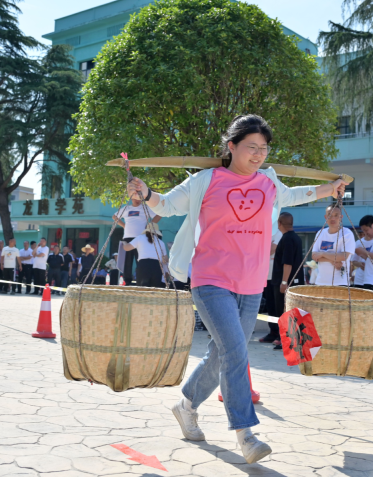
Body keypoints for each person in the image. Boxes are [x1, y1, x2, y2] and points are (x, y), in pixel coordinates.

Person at [129, 114, 346, 463]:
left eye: (263, 149)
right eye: (251, 148)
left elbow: (294, 195)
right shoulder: (206, 180)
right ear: (232, 146)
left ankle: (186, 405)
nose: (258, 155)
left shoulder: (268, 181)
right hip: (210, 279)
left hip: (251, 283)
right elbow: (167, 205)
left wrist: (329, 189)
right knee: (235, 353)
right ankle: (246, 433)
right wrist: (146, 193)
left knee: (222, 353)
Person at [270, 212, 305, 350]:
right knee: (291, 311)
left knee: (284, 311)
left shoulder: (287, 239)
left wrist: (284, 282)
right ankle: (291, 339)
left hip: (285, 282)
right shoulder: (296, 238)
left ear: (279, 223)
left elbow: (287, 262)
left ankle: (288, 340)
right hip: (295, 281)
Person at [114, 191, 162, 286]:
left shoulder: (145, 208)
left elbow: (159, 214)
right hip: (127, 237)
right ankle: (127, 281)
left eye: (139, 198)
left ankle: (140, 279)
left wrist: (149, 225)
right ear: (131, 198)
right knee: (127, 261)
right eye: (135, 198)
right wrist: (124, 226)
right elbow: (114, 216)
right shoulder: (126, 208)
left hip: (141, 238)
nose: (137, 200)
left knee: (140, 259)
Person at [310, 205, 355, 287]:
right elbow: (314, 256)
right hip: (321, 281)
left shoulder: (347, 233)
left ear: (341, 217)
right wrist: (333, 260)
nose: (333, 218)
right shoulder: (320, 233)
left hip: (340, 282)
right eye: (330, 215)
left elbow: (343, 256)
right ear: (325, 217)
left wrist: (322, 254)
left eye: (336, 215)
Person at [121, 223, 167, 288]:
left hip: (143, 266)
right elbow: (165, 261)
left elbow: (127, 248)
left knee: (142, 290)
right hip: (156, 266)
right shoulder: (161, 242)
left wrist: (124, 243)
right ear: (156, 232)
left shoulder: (140, 238)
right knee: (155, 291)